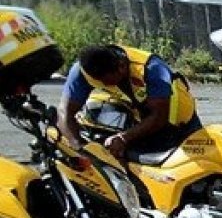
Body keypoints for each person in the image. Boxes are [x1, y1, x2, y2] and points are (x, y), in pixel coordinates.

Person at [56, 44, 202, 159]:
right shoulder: (82, 72)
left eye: (110, 80)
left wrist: (123, 138)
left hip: (182, 124)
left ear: (121, 66)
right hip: (145, 125)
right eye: (102, 82)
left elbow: (159, 117)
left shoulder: (152, 68)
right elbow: (65, 112)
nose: (108, 85)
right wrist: (79, 148)